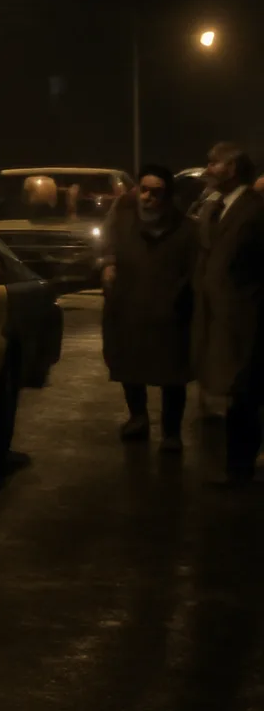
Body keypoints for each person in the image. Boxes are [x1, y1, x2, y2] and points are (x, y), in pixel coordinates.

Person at [101, 165, 198, 451]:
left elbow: (194, 272)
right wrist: (107, 263)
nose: (148, 197)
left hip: (170, 315)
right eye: (144, 190)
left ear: (168, 195)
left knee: (172, 377)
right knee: (130, 367)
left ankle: (171, 432)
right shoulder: (123, 221)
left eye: (156, 192)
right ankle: (138, 418)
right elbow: (106, 246)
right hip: (129, 309)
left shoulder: (186, 230)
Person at [193, 141, 264, 484]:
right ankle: (238, 464)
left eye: (213, 163)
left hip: (249, 319)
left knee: (245, 393)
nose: (207, 170)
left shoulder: (255, 209)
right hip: (224, 318)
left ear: (232, 169)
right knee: (238, 391)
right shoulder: (215, 207)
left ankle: (240, 468)